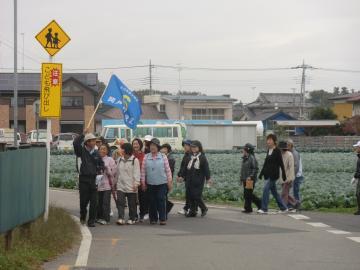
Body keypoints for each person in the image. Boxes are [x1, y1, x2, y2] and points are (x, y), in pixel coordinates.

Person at [73, 129, 104, 227]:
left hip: (94, 180)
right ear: (87, 142)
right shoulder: (81, 151)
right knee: (83, 201)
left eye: (95, 140)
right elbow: (75, 143)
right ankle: (82, 217)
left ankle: (91, 221)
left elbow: (101, 164)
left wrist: (99, 170)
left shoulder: (96, 153)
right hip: (83, 180)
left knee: (94, 202)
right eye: (92, 140)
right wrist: (83, 134)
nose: (95, 142)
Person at [141, 138, 173, 225]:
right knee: (152, 201)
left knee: (161, 199)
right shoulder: (146, 157)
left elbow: (168, 170)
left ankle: (162, 218)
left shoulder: (163, 156)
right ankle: (153, 218)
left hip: (162, 183)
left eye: (154, 146)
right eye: (151, 146)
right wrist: (143, 183)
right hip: (150, 183)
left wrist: (169, 182)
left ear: (158, 147)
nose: (152, 147)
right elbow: (143, 171)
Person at [258, 134, 288, 214]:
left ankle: (264, 208)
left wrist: (284, 174)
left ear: (274, 141)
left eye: (270, 140)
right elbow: (266, 163)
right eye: (267, 140)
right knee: (274, 192)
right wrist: (261, 173)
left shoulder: (277, 150)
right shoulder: (269, 150)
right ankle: (283, 207)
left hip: (273, 175)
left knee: (265, 189)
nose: (268, 141)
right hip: (267, 175)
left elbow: (281, 163)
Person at [113, 143, 141, 225]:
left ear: (126, 150)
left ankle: (132, 218)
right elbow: (117, 173)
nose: (120, 150)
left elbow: (137, 173)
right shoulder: (119, 160)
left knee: (132, 204)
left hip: (131, 186)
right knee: (120, 202)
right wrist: (114, 183)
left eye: (122, 149)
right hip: (120, 185)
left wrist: (136, 184)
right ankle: (121, 218)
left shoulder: (134, 160)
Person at [184, 140, 212, 218]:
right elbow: (185, 167)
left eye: (195, 147)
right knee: (190, 195)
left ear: (199, 148)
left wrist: (208, 178)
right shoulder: (189, 156)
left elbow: (206, 169)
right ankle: (193, 211)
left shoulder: (202, 157)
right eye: (192, 147)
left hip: (198, 180)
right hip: (189, 179)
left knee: (196, 195)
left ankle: (204, 208)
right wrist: (181, 176)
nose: (193, 148)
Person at [97, 144, 116, 225]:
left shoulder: (110, 160)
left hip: (107, 185)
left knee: (106, 202)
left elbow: (114, 173)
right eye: (101, 149)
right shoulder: (96, 159)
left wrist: (107, 168)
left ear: (107, 151)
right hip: (98, 185)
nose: (102, 151)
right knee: (99, 202)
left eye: (104, 149)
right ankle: (99, 217)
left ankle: (106, 218)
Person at [240, 143, 261, 213]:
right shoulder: (245, 158)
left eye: (244, 149)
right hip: (245, 179)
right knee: (247, 194)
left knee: (248, 194)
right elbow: (243, 169)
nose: (243, 150)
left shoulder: (251, 158)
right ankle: (248, 208)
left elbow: (255, 168)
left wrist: (250, 176)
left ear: (247, 150)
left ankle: (259, 203)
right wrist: (241, 178)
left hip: (250, 180)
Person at [132, 138, 149, 222]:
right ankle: (134, 215)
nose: (135, 145)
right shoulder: (130, 155)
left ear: (140, 145)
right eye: (134, 144)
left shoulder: (144, 155)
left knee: (143, 198)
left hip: (142, 180)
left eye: (137, 144)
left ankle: (143, 214)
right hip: (133, 180)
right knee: (133, 199)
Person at [278, 141, 296, 211]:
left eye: (280, 148)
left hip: (288, 178)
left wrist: (290, 178)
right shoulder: (281, 155)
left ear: (282, 148)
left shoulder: (289, 155)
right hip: (282, 178)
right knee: (286, 194)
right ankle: (296, 203)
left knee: (284, 194)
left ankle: (283, 207)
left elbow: (291, 168)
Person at [177, 139, 192, 215]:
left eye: (186, 145)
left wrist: (182, 176)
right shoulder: (186, 155)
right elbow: (182, 166)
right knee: (189, 194)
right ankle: (188, 208)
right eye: (184, 146)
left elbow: (187, 169)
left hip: (190, 179)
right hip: (187, 178)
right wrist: (179, 175)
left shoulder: (191, 156)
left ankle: (189, 209)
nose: (185, 147)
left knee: (190, 194)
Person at [287, 139, 303, 209]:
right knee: (293, 191)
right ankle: (294, 205)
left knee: (295, 191)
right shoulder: (291, 152)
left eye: (287, 145)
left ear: (290, 145)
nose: (286, 147)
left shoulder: (294, 153)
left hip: (296, 175)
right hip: (294, 175)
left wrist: (292, 176)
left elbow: (296, 166)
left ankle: (297, 206)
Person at [160, 143, 175, 215]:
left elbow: (170, 171)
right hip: (163, 179)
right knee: (163, 195)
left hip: (167, 180)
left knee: (163, 195)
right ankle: (166, 208)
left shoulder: (170, 159)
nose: (162, 150)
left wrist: (169, 181)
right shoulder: (163, 157)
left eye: (164, 148)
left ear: (167, 150)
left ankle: (166, 209)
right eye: (162, 148)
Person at [352, 141, 360, 215]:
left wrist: (355, 177)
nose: (356, 148)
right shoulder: (359, 156)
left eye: (357, 147)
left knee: (358, 193)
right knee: (358, 194)